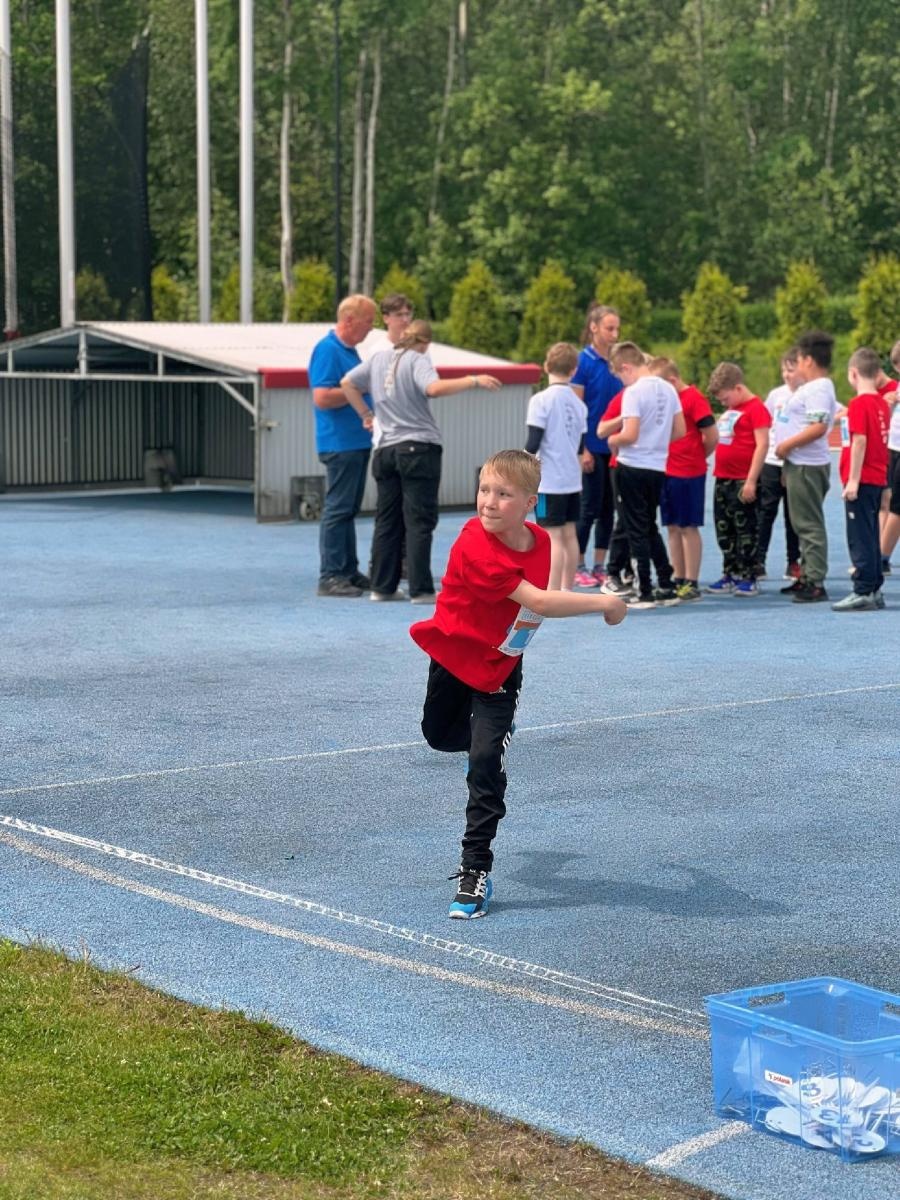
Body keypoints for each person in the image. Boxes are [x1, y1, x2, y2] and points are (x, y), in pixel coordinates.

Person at [410, 450, 627, 919]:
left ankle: (474, 871)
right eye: (484, 489)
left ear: (530, 502)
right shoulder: (473, 545)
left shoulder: (540, 541)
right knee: (439, 735)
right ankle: (488, 748)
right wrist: (605, 603)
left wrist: (513, 646)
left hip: (499, 667)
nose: (488, 502)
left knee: (485, 764)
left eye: (503, 494)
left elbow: (531, 608)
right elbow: (540, 602)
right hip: (452, 656)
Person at [340, 319, 501, 604]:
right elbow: (433, 388)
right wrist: (473, 380)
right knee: (419, 519)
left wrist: (366, 414)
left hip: (386, 449)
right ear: (425, 343)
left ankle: (382, 586)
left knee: (386, 520)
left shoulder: (379, 358)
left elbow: (347, 383)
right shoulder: (418, 359)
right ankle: (421, 589)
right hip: (418, 447)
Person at [606, 342, 685, 609]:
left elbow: (631, 434)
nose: (621, 380)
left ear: (626, 367)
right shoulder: (668, 388)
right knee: (649, 525)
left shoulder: (633, 392)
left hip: (632, 465)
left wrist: (613, 439)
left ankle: (645, 589)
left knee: (636, 528)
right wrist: (657, 441)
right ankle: (666, 583)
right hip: (657, 466)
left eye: (619, 375)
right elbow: (680, 431)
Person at [309, 294, 377, 597]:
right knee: (338, 509)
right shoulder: (328, 349)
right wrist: (359, 389)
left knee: (348, 508)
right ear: (349, 320)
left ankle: (348, 570)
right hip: (340, 443)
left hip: (355, 441)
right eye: (368, 321)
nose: (371, 328)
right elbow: (322, 397)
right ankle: (331, 574)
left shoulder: (348, 352)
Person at [774, 329, 839, 604]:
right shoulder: (811, 388)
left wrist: (787, 446)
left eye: (799, 360)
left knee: (809, 524)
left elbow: (818, 426)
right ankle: (807, 574)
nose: (797, 365)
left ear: (809, 360)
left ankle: (815, 580)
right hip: (798, 463)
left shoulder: (819, 387)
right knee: (801, 523)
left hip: (806, 465)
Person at [650, 357, 718, 602]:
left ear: (672, 380)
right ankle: (678, 577)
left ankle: (692, 580)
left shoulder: (693, 398)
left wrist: (698, 456)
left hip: (689, 473)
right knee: (671, 527)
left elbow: (711, 435)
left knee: (688, 527)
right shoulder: (666, 398)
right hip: (666, 470)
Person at [831, 347, 891, 612]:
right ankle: (874, 586)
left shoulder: (859, 404)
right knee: (871, 532)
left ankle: (863, 588)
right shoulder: (881, 403)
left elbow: (860, 441)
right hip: (877, 476)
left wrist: (852, 480)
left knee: (860, 536)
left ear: (853, 374)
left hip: (863, 478)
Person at [705, 363, 771, 597]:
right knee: (725, 529)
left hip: (743, 479)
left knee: (747, 530)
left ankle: (749, 575)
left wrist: (751, 480)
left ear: (738, 388)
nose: (723, 404)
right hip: (723, 478)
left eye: (725, 398)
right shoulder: (732, 410)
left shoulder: (756, 409)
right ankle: (730, 572)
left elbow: (762, 444)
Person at [525, 342, 587, 590]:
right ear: (573, 371)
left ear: (546, 366)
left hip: (548, 481)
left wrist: (520, 468)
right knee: (570, 533)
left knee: (552, 536)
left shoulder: (540, 400)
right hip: (572, 479)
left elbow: (533, 442)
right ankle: (567, 589)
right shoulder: (579, 404)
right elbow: (581, 448)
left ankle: (551, 591)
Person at [570, 304, 622, 588]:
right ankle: (578, 564)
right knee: (587, 508)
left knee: (608, 510)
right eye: (609, 328)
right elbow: (576, 408)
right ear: (594, 328)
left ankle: (600, 564)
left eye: (617, 329)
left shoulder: (618, 362)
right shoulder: (583, 362)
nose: (614, 334)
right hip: (591, 447)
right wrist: (583, 449)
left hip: (614, 449)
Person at [756, 350, 802, 582]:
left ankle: (793, 562)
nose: (786, 375)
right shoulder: (777, 395)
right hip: (772, 462)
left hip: (795, 462)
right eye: (783, 370)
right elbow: (763, 419)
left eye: (791, 370)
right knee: (766, 512)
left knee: (793, 516)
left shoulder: (810, 393)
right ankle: (759, 560)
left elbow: (840, 410)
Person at [878, 340, 900, 573]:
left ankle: (882, 556)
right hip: (895, 447)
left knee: (897, 507)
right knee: (893, 501)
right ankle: (883, 555)